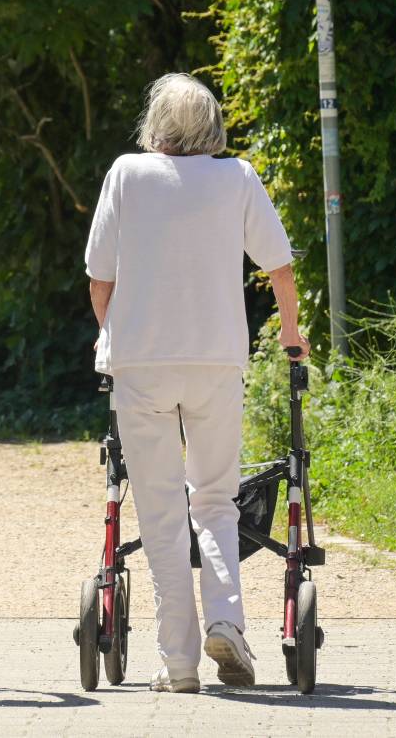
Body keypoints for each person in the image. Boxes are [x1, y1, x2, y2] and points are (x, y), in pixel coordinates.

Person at [85, 73, 309, 694]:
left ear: (154, 126)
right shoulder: (236, 177)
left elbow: (99, 277)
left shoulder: (126, 174)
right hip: (216, 361)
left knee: (159, 510)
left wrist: (114, 334)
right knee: (214, 499)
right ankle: (228, 623)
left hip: (140, 364)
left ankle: (177, 662)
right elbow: (280, 267)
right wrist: (292, 333)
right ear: (212, 127)